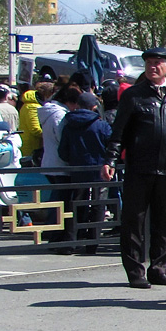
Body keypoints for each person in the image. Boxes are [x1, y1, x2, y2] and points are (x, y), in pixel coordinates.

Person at [102, 47, 166, 289]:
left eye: (158, 63)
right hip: (140, 167)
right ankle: (135, 270)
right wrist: (110, 159)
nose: (153, 67)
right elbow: (118, 132)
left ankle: (159, 267)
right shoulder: (133, 95)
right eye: (149, 63)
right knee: (134, 221)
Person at [57, 89, 112, 255]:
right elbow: (111, 146)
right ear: (94, 107)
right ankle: (92, 242)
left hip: (77, 169)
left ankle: (72, 240)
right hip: (99, 169)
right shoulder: (101, 125)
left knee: (76, 204)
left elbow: (62, 151)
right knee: (98, 205)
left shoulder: (68, 124)